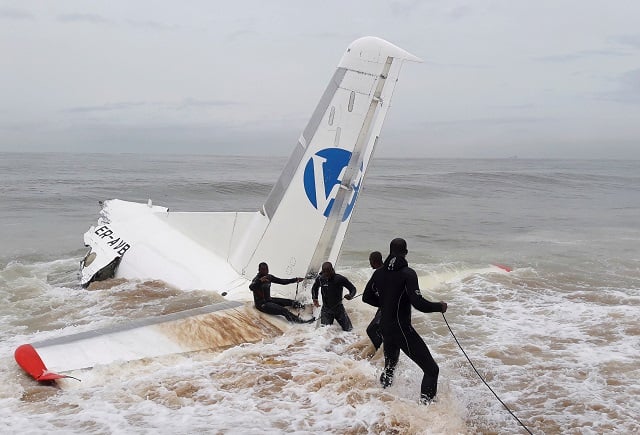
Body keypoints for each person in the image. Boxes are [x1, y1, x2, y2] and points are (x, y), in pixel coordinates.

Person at [363, 238, 448, 404]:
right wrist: (439, 306)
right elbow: (419, 303)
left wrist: (385, 303)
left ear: (389, 251)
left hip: (385, 329)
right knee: (431, 370)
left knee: (390, 367)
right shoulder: (408, 273)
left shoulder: (378, 273)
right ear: (406, 252)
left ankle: (381, 400)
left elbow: (366, 297)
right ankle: (426, 410)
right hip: (401, 329)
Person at [311, 261, 357, 331]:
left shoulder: (339, 279)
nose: (326, 275)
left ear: (332, 270)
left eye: (328, 272)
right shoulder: (320, 279)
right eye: (325, 272)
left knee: (349, 330)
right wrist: (315, 299)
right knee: (324, 332)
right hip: (326, 310)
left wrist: (350, 296)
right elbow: (314, 288)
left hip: (339, 309)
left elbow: (353, 289)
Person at [365, 251, 384, 352]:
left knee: (371, 330)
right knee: (378, 329)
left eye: (370, 261)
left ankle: (380, 351)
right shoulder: (388, 270)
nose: (370, 263)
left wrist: (380, 302)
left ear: (374, 261)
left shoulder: (379, 273)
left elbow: (366, 297)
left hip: (386, 307)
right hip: (387, 306)